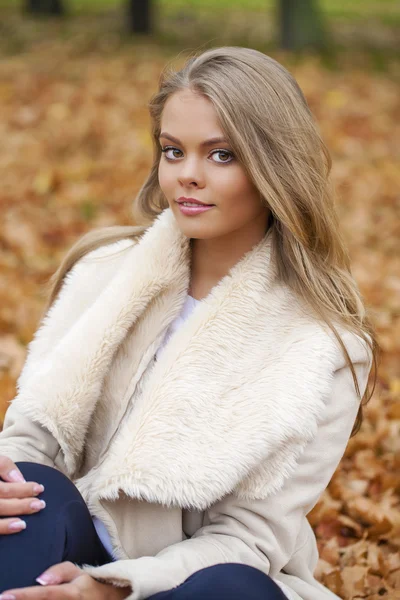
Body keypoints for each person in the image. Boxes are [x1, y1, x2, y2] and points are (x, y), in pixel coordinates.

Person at [0, 46, 378, 600]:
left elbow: (248, 538)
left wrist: (110, 588)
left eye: (221, 155)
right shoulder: (105, 273)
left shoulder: (323, 347)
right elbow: (33, 438)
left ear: (274, 167)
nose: (188, 177)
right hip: (66, 548)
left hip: (185, 582)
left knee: (235, 588)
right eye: (173, 151)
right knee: (29, 502)